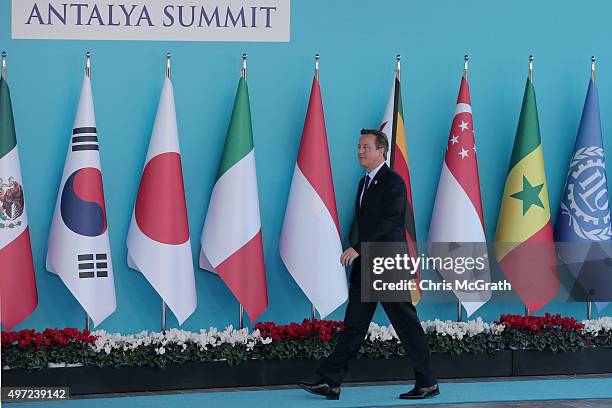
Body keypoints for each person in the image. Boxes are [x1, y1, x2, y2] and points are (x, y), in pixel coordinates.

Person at [297, 129, 438, 400]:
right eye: (359, 147)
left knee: (405, 323)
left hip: (387, 263)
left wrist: (358, 248)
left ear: (381, 151)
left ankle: (427, 382)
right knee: (354, 325)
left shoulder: (394, 182)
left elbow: (390, 222)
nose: (360, 151)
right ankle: (331, 381)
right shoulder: (364, 184)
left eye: (365, 147)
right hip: (366, 266)